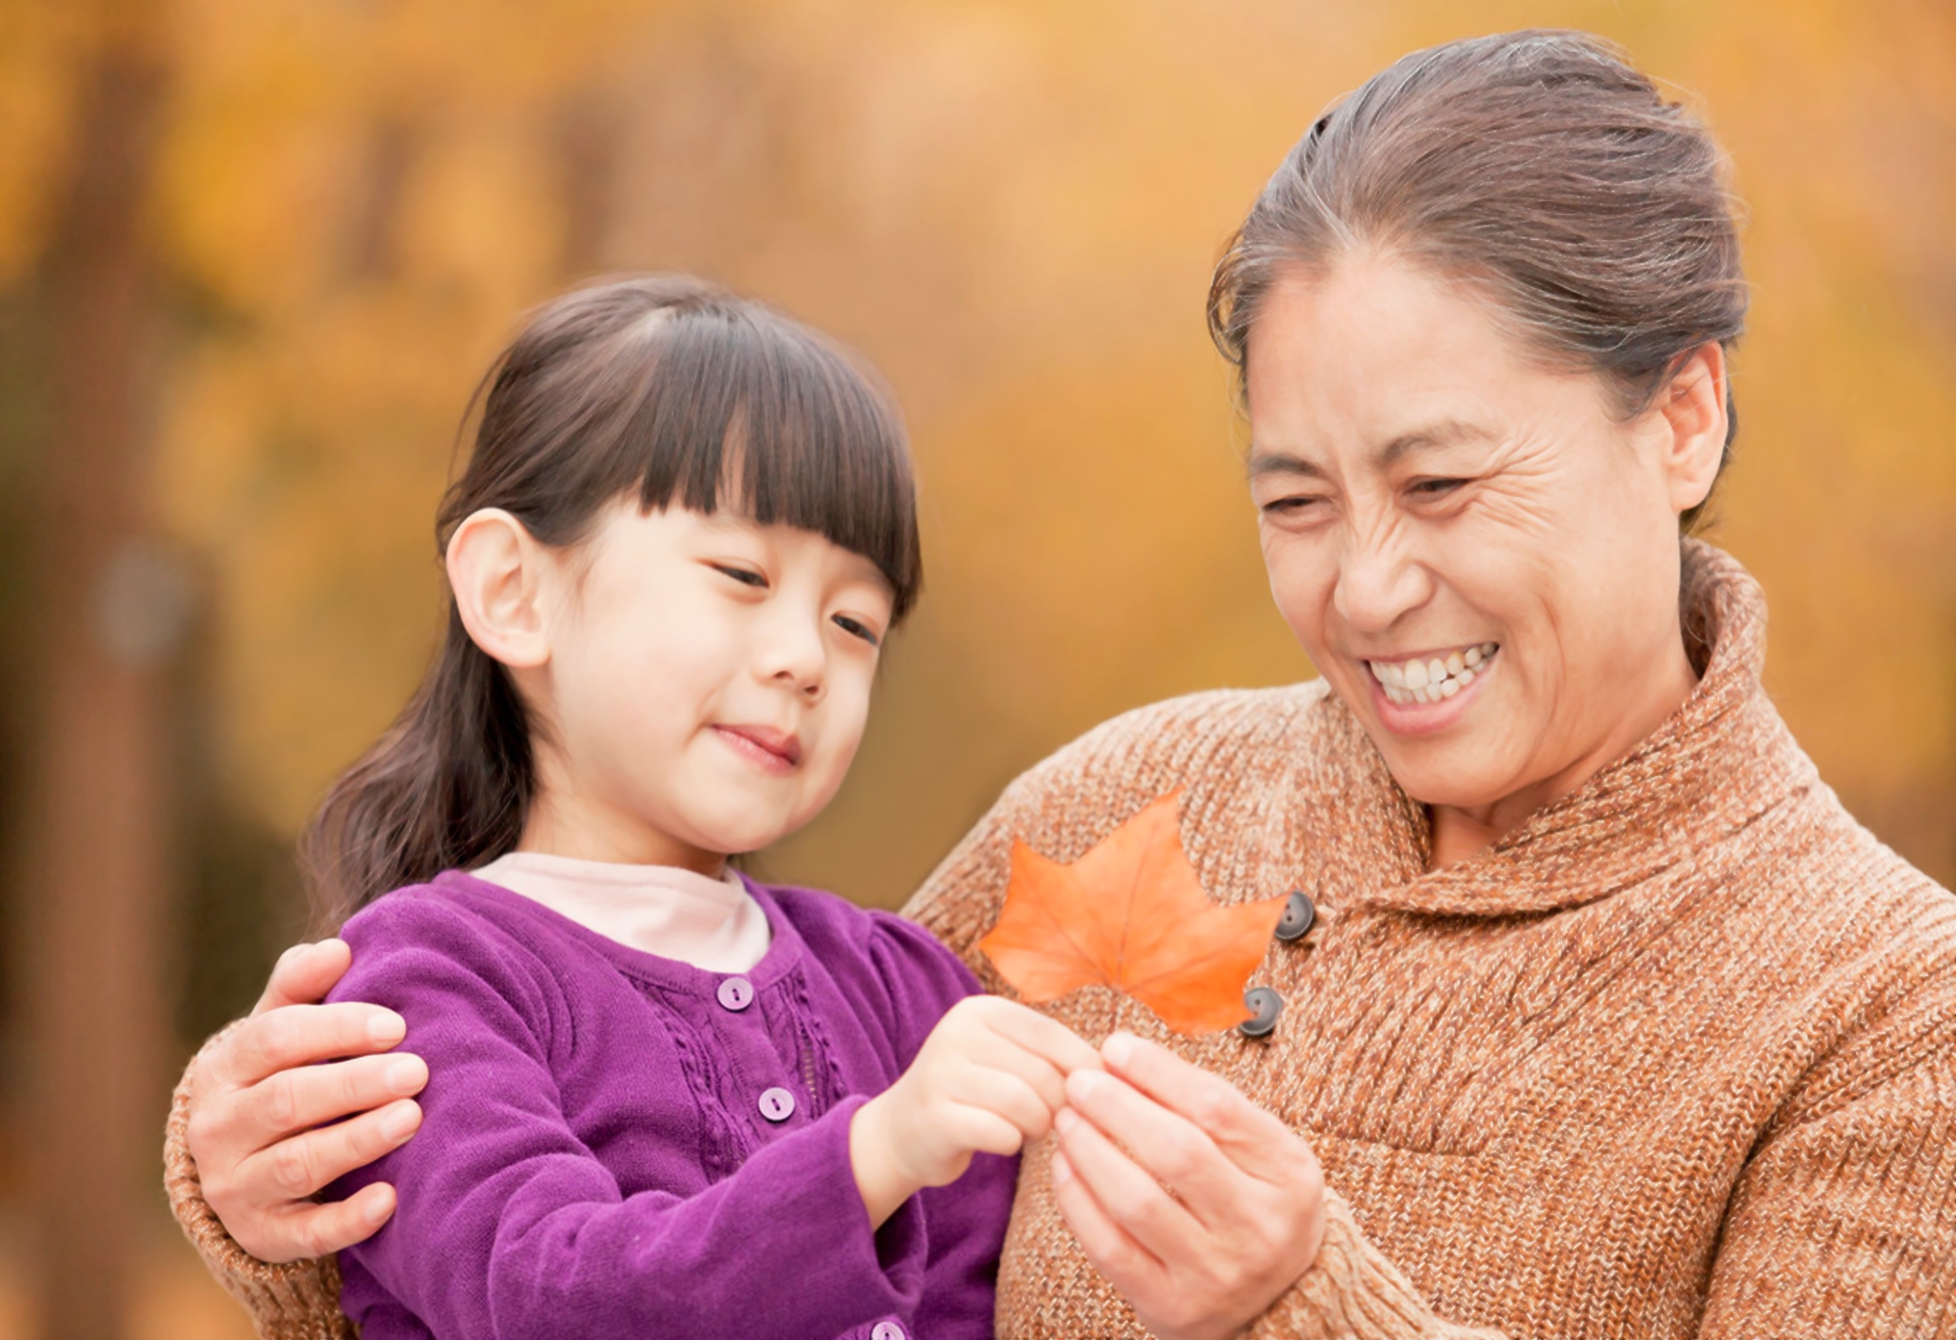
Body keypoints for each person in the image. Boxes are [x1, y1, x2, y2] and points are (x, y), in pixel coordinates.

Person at [165, 31, 1956, 1340]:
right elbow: (685, 1191)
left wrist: (1304, 1302)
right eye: (1296, 502)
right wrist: (290, 1201)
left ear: (1685, 414)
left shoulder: (1883, 1011)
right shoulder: (1131, 807)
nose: (1368, 584)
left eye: (1443, 483)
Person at [201, 273, 1112, 1340]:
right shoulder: (423, 982)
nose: (804, 659)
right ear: (513, 590)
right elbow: (545, 1296)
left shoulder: (893, 982)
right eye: (739, 573)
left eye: (854, 622)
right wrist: (874, 1152)